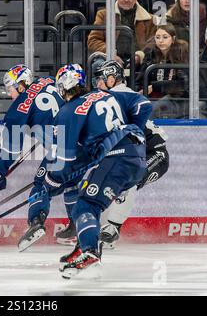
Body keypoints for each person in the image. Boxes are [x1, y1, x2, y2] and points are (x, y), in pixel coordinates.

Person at [41, 61, 151, 279]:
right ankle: (85, 247)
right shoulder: (105, 94)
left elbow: (64, 159)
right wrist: (132, 128)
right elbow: (144, 104)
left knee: (85, 206)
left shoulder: (67, 112)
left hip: (117, 158)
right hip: (137, 156)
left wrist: (52, 183)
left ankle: (90, 252)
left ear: (63, 87)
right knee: (91, 201)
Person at [56, 57, 170, 248]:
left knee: (125, 183)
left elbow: (143, 107)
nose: (97, 84)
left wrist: (133, 129)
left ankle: (112, 228)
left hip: (154, 153)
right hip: (132, 151)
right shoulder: (107, 96)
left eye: (101, 79)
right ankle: (98, 227)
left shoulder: (118, 93)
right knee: (104, 182)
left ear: (112, 78)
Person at [0, 64, 77, 252]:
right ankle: (79, 227)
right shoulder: (50, 80)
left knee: (41, 184)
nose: (10, 95)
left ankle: (36, 222)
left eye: (10, 89)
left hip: (61, 148)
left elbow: (10, 148)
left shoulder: (20, 106)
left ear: (21, 85)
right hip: (83, 139)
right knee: (72, 182)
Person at [87, 0, 156, 69]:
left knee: (151, 66)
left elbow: (153, 42)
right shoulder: (103, 15)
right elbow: (93, 40)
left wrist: (140, 56)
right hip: (109, 58)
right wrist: (111, 54)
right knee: (98, 65)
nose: (126, 0)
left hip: (141, 63)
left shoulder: (150, 19)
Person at [136, 23, 189, 118]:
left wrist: (155, 86)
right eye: (157, 37)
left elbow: (182, 85)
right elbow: (140, 79)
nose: (161, 41)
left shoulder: (181, 53)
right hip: (152, 96)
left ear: (173, 39)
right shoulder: (151, 53)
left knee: (152, 109)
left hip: (175, 98)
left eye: (165, 37)